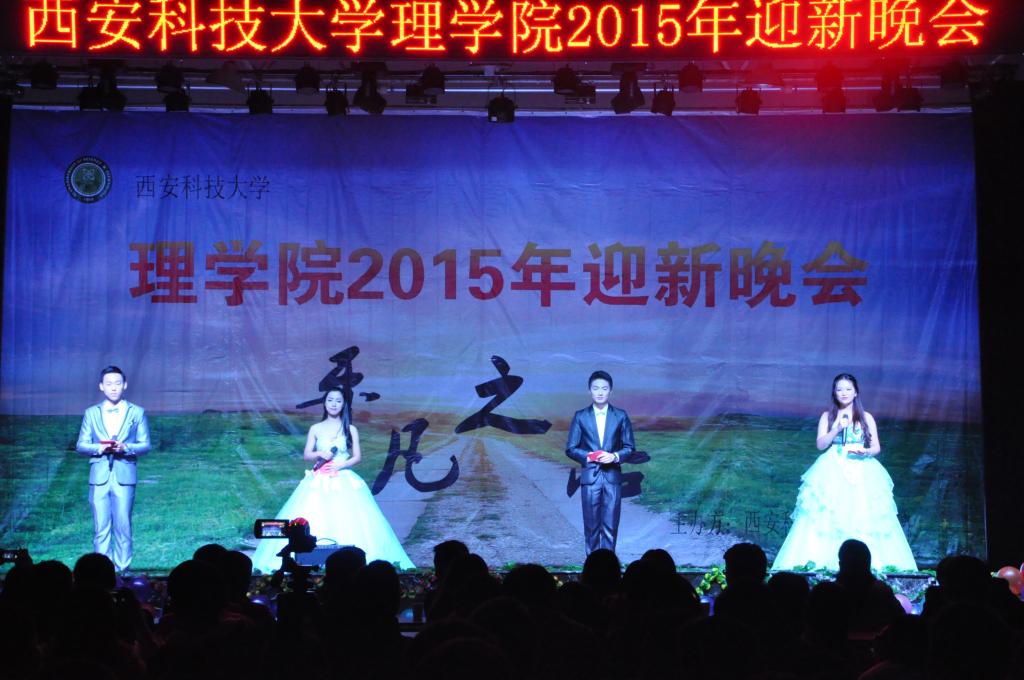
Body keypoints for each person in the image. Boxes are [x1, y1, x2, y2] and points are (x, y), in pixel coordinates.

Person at [251, 389, 414, 573]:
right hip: (319, 479)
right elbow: (307, 454)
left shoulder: (350, 429)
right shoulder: (316, 428)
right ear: (324, 402)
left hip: (342, 478)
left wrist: (340, 465)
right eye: (330, 400)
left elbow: (357, 457)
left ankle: (353, 564)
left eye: (338, 400)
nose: (334, 404)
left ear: (343, 404)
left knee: (348, 517)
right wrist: (320, 453)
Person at [772, 374, 917, 572]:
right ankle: (822, 562)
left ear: (856, 392)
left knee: (863, 510)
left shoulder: (866, 417)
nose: (844, 393)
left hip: (862, 467)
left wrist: (865, 452)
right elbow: (820, 444)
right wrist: (836, 428)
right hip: (832, 467)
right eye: (840, 389)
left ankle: (870, 565)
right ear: (834, 392)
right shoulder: (827, 416)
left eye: (848, 389)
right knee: (827, 512)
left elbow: (876, 447)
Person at [76, 365, 151, 573]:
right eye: (109, 384)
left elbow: (145, 445)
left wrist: (125, 447)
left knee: (123, 526)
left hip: (124, 475)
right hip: (99, 476)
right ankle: (101, 573)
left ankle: (123, 571)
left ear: (125, 385)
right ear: (101, 386)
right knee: (100, 528)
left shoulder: (137, 412)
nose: (113, 387)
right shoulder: (91, 413)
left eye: (117, 383)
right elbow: (81, 445)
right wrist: (100, 448)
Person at [565, 370, 636, 555]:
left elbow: (630, 447)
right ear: (589, 390)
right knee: (591, 528)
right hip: (590, 478)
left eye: (604, 388)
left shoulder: (620, 416)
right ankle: (592, 567)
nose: (600, 392)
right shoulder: (580, 416)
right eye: (596, 388)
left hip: (612, 478)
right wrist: (589, 456)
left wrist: (614, 456)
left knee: (611, 527)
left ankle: (609, 567)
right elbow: (570, 448)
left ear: (610, 391)